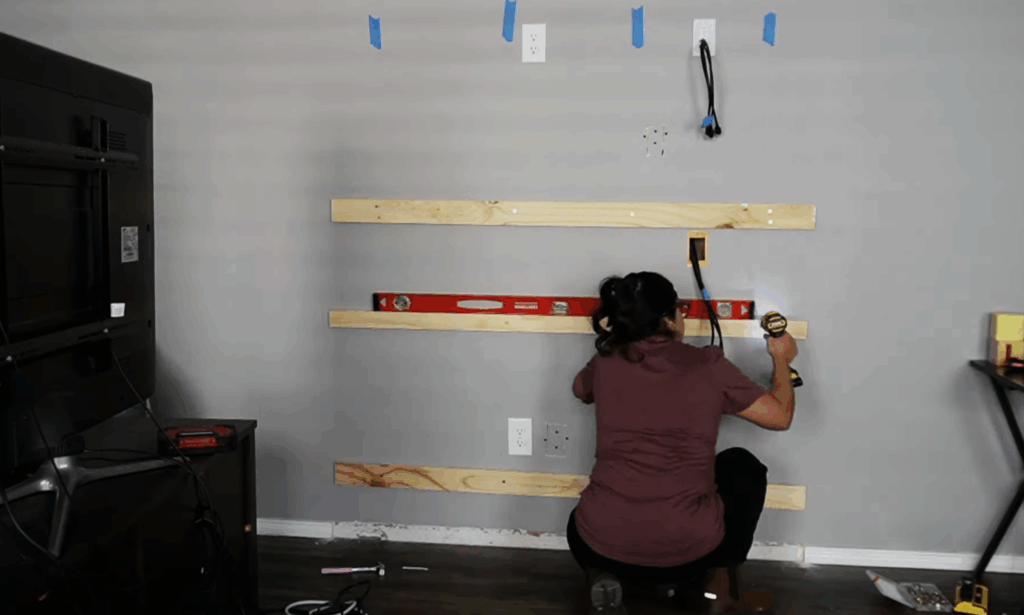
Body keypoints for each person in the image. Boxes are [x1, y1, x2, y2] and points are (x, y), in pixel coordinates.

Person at [568, 271, 798, 615]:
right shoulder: (709, 365)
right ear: (668, 319)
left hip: (599, 541)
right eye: (680, 309)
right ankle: (718, 586)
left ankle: (602, 577)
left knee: (580, 521)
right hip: (686, 553)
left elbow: (580, 391)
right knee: (742, 467)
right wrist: (782, 359)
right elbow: (780, 416)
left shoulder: (605, 362)